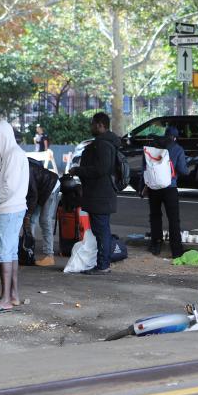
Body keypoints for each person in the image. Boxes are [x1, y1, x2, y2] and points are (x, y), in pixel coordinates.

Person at [0, 121, 29, 311]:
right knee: (11, 253)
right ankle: (13, 295)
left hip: (8, 209)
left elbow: (8, 187)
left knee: (3, 254)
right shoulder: (14, 153)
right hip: (15, 209)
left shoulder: (12, 155)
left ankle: (5, 300)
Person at [69, 112, 120, 274]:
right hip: (101, 194)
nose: (91, 127)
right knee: (100, 229)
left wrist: (79, 170)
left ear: (100, 125)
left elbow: (101, 169)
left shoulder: (103, 145)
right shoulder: (106, 143)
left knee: (101, 230)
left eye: (93, 124)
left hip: (100, 195)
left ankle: (103, 265)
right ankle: (101, 263)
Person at [143, 126, 190, 258]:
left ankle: (156, 245)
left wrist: (146, 184)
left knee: (155, 216)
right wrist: (188, 169)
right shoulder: (177, 149)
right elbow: (183, 170)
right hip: (170, 188)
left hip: (153, 188)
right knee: (174, 219)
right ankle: (176, 250)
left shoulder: (153, 146)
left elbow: (145, 166)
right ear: (175, 137)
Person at [26, 159, 61, 267]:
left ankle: (49, 256)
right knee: (31, 220)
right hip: (40, 188)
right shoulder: (18, 165)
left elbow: (33, 194)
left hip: (51, 186)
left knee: (44, 220)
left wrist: (27, 214)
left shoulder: (25, 169)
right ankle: (28, 251)